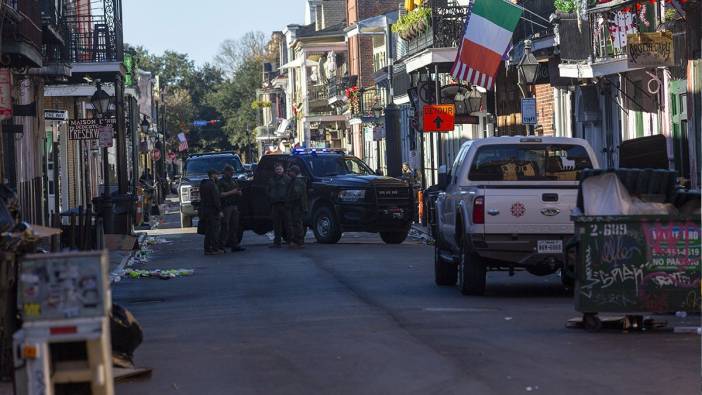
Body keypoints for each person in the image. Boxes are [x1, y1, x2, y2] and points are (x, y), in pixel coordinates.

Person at [218, 165, 245, 252]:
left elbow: (237, 190)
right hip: (226, 206)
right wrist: (232, 192)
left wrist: (239, 192)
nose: (232, 173)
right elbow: (220, 194)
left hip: (234, 205)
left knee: (235, 226)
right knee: (225, 226)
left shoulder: (233, 181)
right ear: (226, 172)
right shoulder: (221, 182)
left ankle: (234, 245)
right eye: (230, 172)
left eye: (233, 172)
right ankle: (221, 245)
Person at [199, 169, 224, 255]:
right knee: (214, 231)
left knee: (208, 231)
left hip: (205, 210)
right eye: (217, 175)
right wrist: (219, 210)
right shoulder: (213, 185)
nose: (218, 177)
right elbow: (216, 199)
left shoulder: (203, 184)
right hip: (213, 211)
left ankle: (207, 249)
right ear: (213, 175)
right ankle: (215, 249)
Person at [267, 162, 291, 248]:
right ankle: (277, 242)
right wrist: (270, 197)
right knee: (276, 225)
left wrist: (288, 201)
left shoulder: (287, 179)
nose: (278, 171)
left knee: (288, 224)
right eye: (277, 169)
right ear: (274, 170)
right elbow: (268, 190)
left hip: (284, 204)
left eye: (280, 169)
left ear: (283, 169)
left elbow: (290, 191)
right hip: (275, 205)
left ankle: (290, 241)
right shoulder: (271, 179)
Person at [286, 165, 308, 249]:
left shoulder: (298, 181)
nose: (289, 173)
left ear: (294, 172)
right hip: (296, 206)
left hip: (296, 206)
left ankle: (299, 241)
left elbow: (297, 194)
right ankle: (296, 241)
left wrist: (289, 199)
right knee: (295, 223)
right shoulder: (295, 180)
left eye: (290, 172)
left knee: (297, 223)